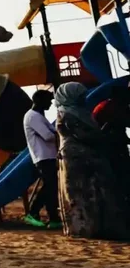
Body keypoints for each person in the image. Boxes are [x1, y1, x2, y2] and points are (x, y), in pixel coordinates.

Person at [56, 82, 130, 240]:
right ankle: (85, 228)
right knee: (82, 195)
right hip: (77, 161)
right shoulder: (67, 114)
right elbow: (84, 135)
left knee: (97, 193)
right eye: (80, 95)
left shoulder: (81, 113)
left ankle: (100, 226)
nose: (84, 98)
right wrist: (106, 136)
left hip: (91, 158)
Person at [22, 89, 62, 229]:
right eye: (48, 101)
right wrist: (61, 134)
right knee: (49, 187)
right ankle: (32, 213)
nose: (50, 104)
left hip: (48, 156)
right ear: (40, 101)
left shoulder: (39, 116)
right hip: (43, 156)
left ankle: (53, 218)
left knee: (51, 188)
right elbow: (48, 136)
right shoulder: (33, 116)